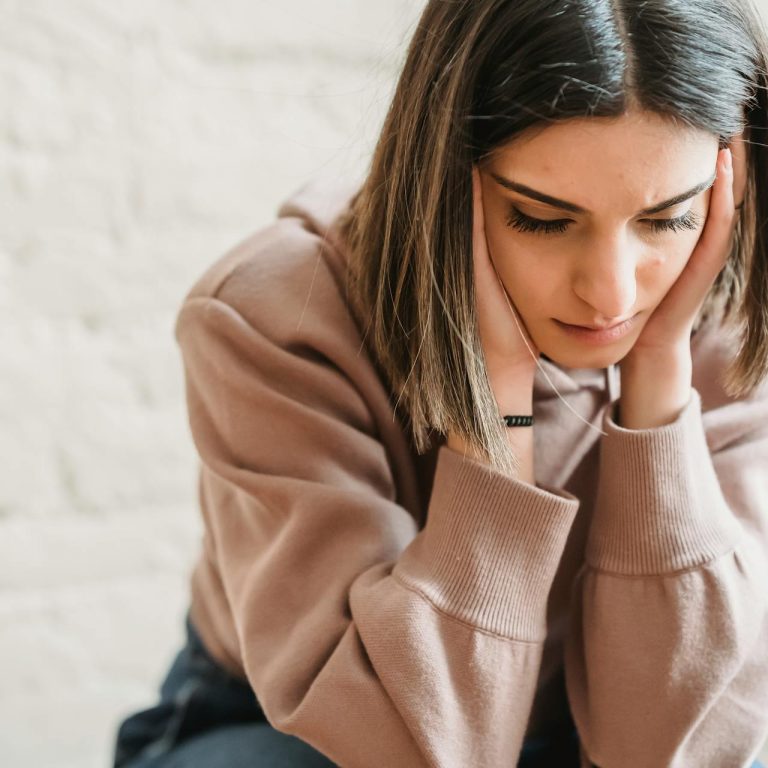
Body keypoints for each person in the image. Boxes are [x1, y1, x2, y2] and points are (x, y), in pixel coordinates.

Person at [111, 0, 768, 766]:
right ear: (442, 180)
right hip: (303, 731)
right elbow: (412, 749)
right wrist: (491, 411)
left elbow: (658, 750)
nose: (614, 295)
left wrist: (658, 391)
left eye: (666, 218)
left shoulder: (730, 321)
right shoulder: (273, 321)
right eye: (542, 219)